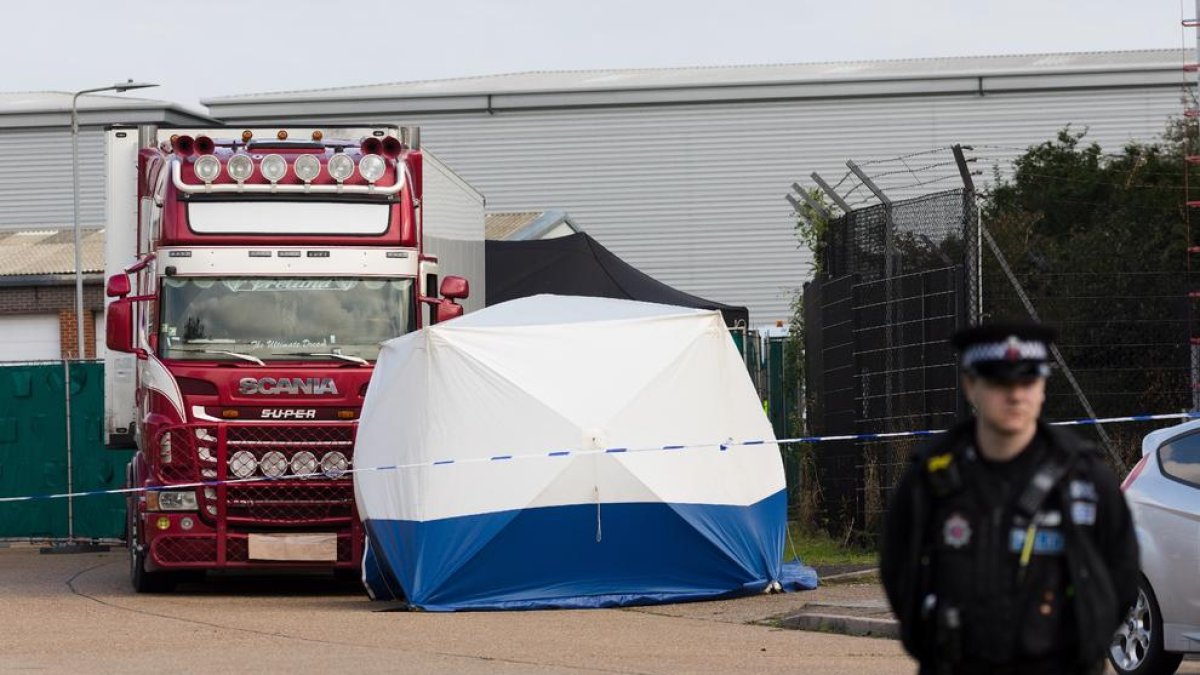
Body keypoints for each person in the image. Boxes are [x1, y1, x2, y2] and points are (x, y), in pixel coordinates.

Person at [879, 322, 1139, 675]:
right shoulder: (930, 476)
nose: (1015, 395)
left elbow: (1122, 571)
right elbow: (897, 567)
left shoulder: (1084, 477)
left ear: (1043, 387)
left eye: (1028, 382)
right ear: (970, 385)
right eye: (1000, 383)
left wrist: (1087, 640)